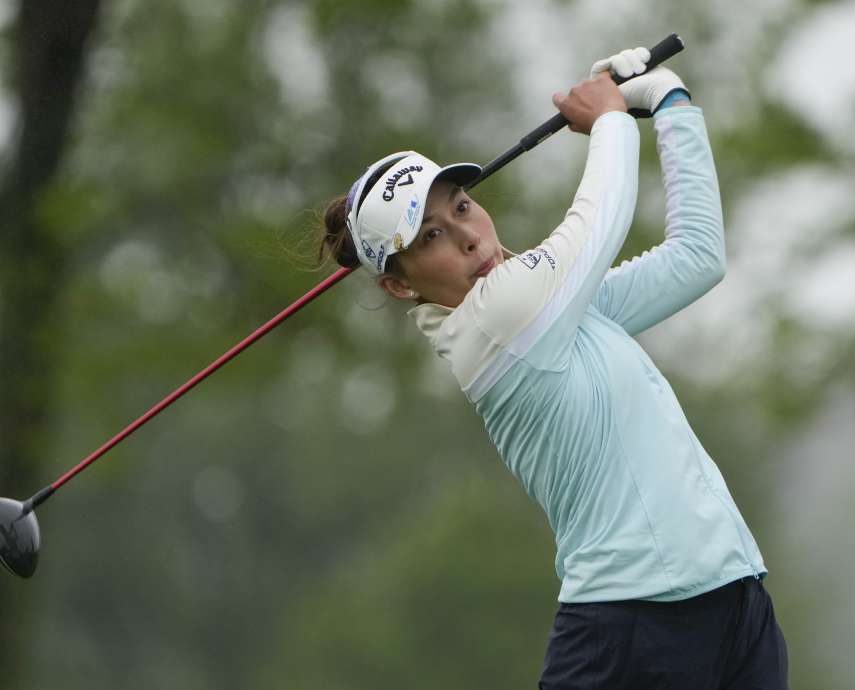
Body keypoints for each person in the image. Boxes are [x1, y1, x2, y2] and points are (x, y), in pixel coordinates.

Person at [317, 47, 789, 690]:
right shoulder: (496, 320)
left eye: (460, 207)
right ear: (401, 288)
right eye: (428, 237)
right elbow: (601, 216)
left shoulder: (557, 307)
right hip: (632, 629)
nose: (468, 237)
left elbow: (697, 258)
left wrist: (673, 104)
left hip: (733, 602)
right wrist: (612, 118)